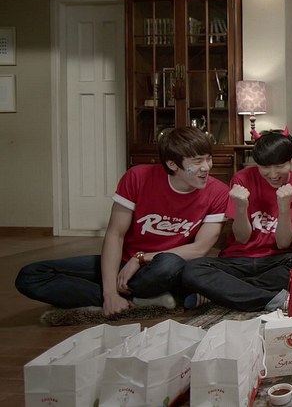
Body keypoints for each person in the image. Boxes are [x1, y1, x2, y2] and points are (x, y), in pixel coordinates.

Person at [15, 127, 229, 316]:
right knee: (31, 276)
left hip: (166, 268)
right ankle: (138, 299)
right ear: (173, 164)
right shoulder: (138, 177)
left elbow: (199, 249)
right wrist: (109, 293)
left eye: (208, 158)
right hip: (123, 262)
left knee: (168, 262)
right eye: (197, 161)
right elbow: (115, 235)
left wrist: (141, 259)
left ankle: (136, 294)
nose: (206, 167)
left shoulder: (218, 192)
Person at [181, 129, 292, 312]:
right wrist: (241, 207)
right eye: (265, 167)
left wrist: (284, 209)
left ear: (291, 160)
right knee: (193, 269)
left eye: (279, 166)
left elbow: (283, 244)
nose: (273, 174)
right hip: (238, 259)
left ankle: (223, 292)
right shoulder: (242, 178)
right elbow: (242, 238)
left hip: (276, 260)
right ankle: (273, 299)